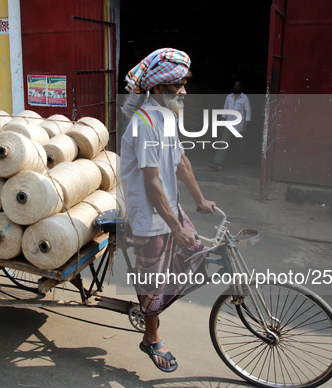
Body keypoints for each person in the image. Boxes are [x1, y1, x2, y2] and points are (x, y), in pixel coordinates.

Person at [120, 48, 216, 373]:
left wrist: (200, 201)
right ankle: (151, 335)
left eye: (185, 83)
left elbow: (182, 162)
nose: (184, 91)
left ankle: (157, 305)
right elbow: (152, 182)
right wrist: (176, 227)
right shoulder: (144, 122)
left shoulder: (167, 117)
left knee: (196, 254)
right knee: (152, 281)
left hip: (168, 209)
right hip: (149, 217)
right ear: (158, 89)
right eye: (177, 85)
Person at [209, 79, 252, 171]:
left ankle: (244, 161)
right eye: (235, 85)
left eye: (239, 85)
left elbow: (248, 113)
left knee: (242, 145)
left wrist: (246, 126)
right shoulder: (229, 97)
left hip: (240, 126)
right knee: (222, 144)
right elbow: (225, 111)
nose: (237, 87)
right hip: (228, 125)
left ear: (241, 87)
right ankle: (217, 163)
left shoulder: (245, 98)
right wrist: (221, 124)